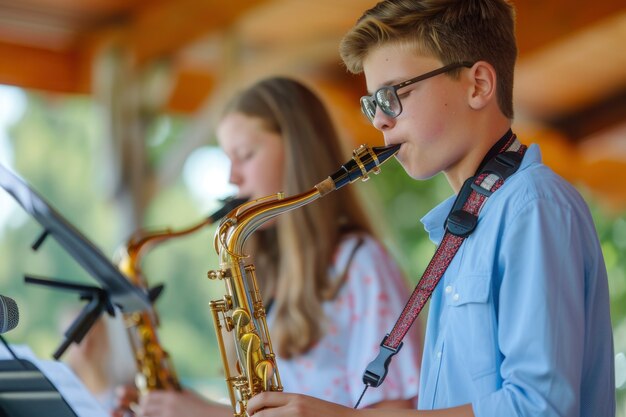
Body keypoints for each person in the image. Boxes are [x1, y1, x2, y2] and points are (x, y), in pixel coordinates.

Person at [246, 1, 616, 416]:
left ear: (477, 85)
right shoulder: (470, 222)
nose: (380, 122)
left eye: (391, 95)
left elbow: (539, 408)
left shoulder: (533, 206)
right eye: (372, 104)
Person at [113, 76, 423, 417]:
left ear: (297, 154)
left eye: (244, 155)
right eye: (227, 158)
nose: (233, 178)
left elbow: (397, 411)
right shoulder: (268, 271)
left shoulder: (360, 264)